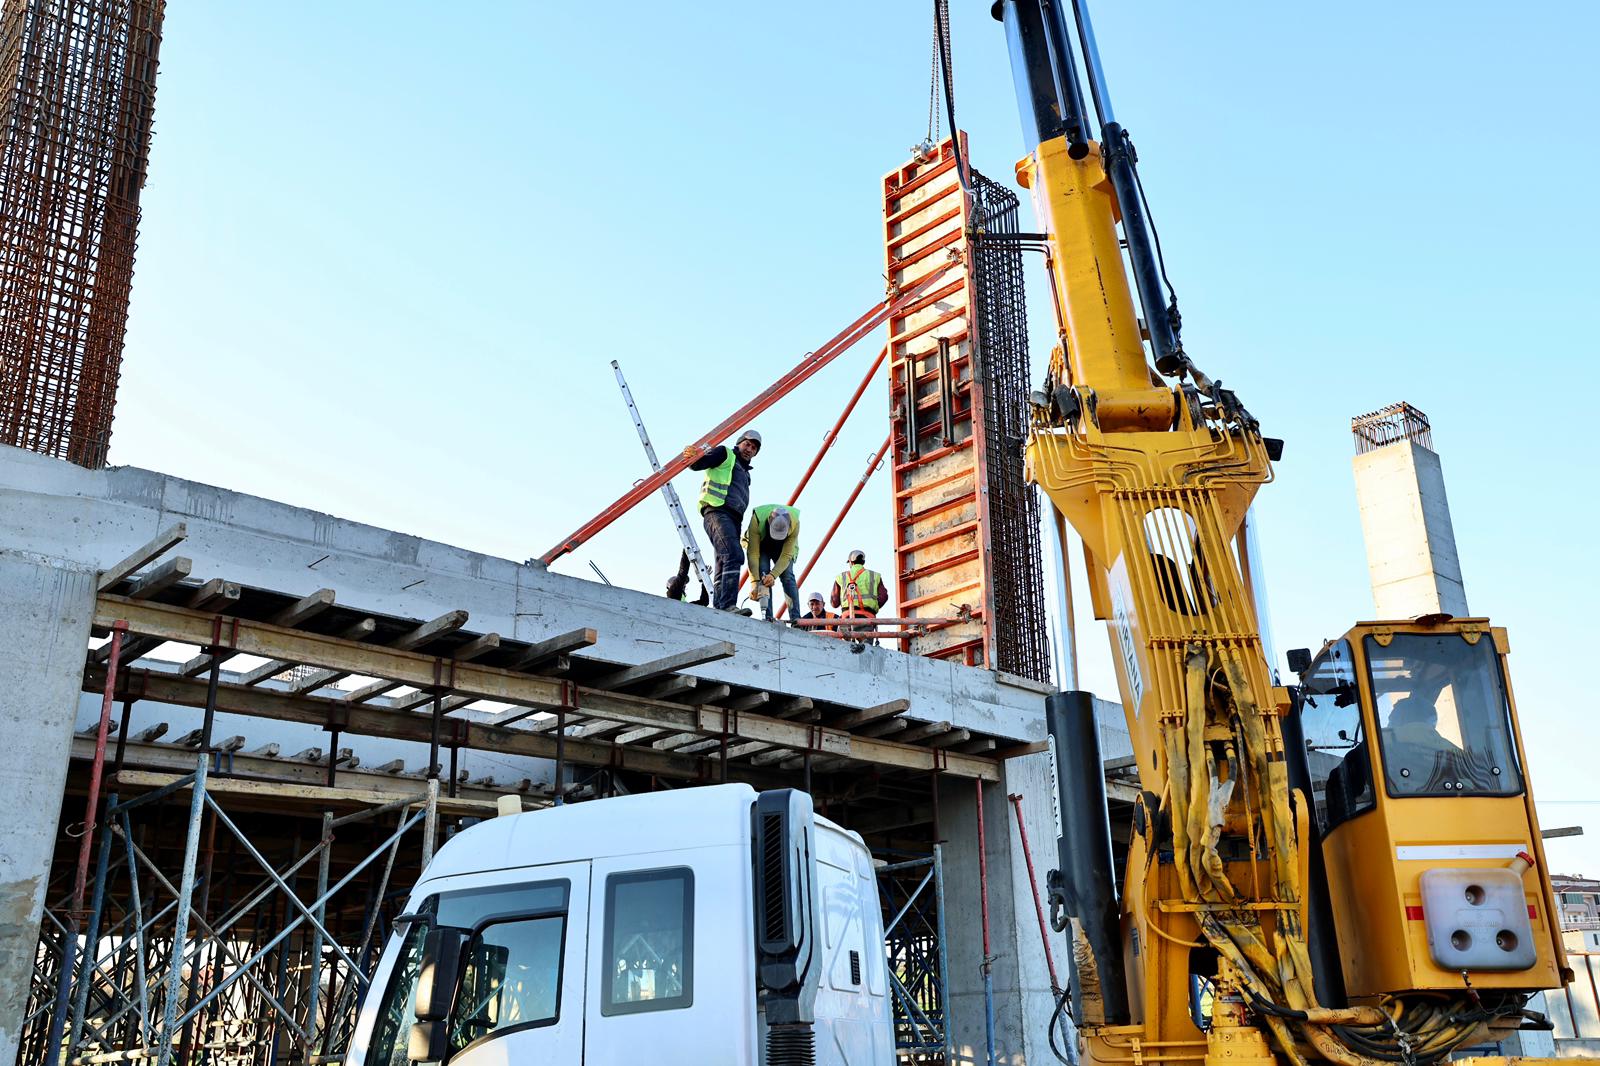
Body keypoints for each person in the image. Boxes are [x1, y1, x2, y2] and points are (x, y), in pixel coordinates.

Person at [686, 429, 760, 614]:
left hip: (734, 518)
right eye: (747, 444)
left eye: (753, 448)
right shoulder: (725, 453)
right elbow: (698, 464)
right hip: (716, 511)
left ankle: (719, 607)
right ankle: (728, 605)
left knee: (723, 561)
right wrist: (693, 456)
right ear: (739, 442)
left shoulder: (745, 472)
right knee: (734, 555)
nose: (749, 449)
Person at [743, 503, 801, 621]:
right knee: (763, 575)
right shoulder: (757, 519)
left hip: (784, 548)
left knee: (787, 576)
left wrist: (773, 575)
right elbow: (753, 553)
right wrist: (755, 582)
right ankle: (768, 617)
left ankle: (796, 619)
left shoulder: (795, 524)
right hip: (762, 544)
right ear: (769, 522)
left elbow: (786, 555)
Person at [830, 548, 885, 623]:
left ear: (851, 562)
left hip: (847, 617)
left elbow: (834, 603)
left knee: (844, 634)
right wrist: (873, 607)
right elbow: (884, 596)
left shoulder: (841, 577)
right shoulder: (874, 576)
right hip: (868, 618)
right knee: (865, 634)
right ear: (863, 562)